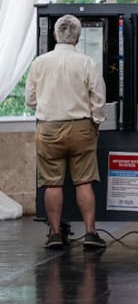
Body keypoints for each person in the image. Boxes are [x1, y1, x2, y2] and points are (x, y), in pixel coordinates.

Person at [25, 14, 108, 249]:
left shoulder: (39, 63)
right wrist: (96, 122)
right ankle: (91, 233)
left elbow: (30, 99)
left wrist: (47, 107)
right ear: (78, 37)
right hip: (81, 127)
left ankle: (54, 234)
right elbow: (98, 99)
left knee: (52, 183)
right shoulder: (86, 62)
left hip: (48, 128)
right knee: (84, 182)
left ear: (54, 35)